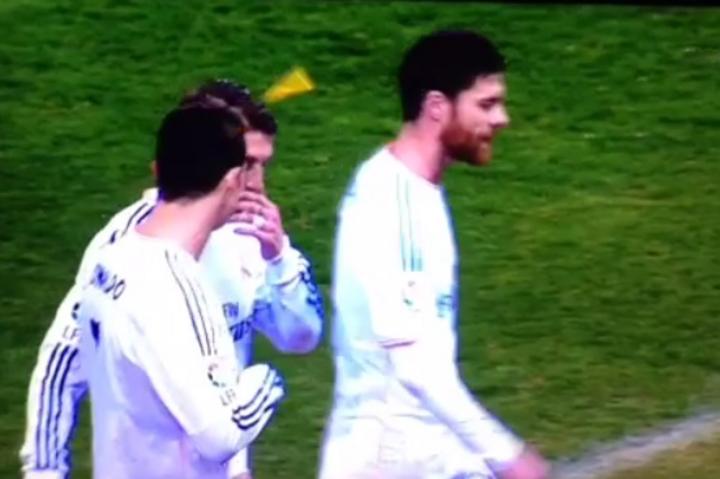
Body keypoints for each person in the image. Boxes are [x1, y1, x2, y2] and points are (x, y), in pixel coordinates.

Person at [20, 81, 323, 479]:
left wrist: (279, 259)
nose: (257, 184)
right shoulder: (128, 246)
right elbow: (62, 361)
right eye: (247, 164)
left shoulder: (253, 235)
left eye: (264, 166)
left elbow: (300, 337)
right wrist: (44, 471)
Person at [319, 30, 550, 479]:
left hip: (425, 445)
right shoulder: (393, 200)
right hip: (388, 458)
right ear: (437, 107)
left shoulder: (416, 190)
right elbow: (415, 367)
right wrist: (506, 454)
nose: (502, 119)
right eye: (486, 104)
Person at [76, 100, 284, 479]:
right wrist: (268, 380)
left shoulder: (110, 262)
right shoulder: (179, 287)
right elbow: (221, 434)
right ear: (232, 181)